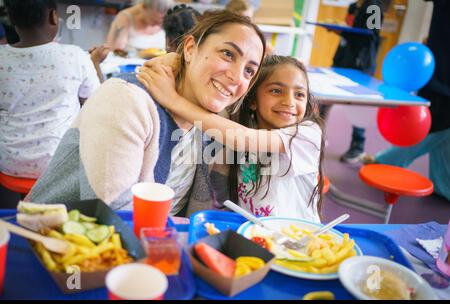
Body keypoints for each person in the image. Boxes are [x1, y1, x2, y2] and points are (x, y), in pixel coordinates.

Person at [26, 11, 266, 215]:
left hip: (153, 245)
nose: (236, 77)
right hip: (57, 245)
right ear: (191, 48)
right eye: (227, 54)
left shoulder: (214, 122)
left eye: (249, 71)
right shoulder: (126, 99)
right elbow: (112, 213)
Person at [137, 55, 324, 222]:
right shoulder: (237, 124)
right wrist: (178, 59)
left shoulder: (307, 134)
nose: (289, 101)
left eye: (299, 94)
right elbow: (214, 104)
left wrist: (172, 100)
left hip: (302, 240)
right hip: (256, 237)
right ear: (252, 101)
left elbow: (242, 138)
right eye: (276, 91)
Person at [0, 0, 106, 179]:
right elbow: (98, 103)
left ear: (11, 19)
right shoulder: (75, 55)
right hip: (59, 163)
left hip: (8, 163)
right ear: (53, 17)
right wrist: (94, 62)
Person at [362, 0, 450, 202]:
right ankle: (444, 183)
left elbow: (371, 30)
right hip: (439, 73)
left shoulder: (372, 5)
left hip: (442, 79)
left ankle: (386, 161)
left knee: (435, 126)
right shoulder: (368, 6)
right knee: (441, 131)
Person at [320, 0, 384, 163]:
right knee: (325, 99)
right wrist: (339, 31)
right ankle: (315, 136)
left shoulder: (374, 7)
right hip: (343, 58)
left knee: (358, 106)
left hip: (360, 63)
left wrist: (342, 31)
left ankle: (357, 146)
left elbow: (371, 34)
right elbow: (349, 29)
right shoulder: (354, 6)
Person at [105, 0, 173, 53]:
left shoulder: (170, 17)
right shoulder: (124, 18)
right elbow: (114, 51)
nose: (158, 25)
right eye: (154, 21)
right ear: (144, 7)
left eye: (161, 22)